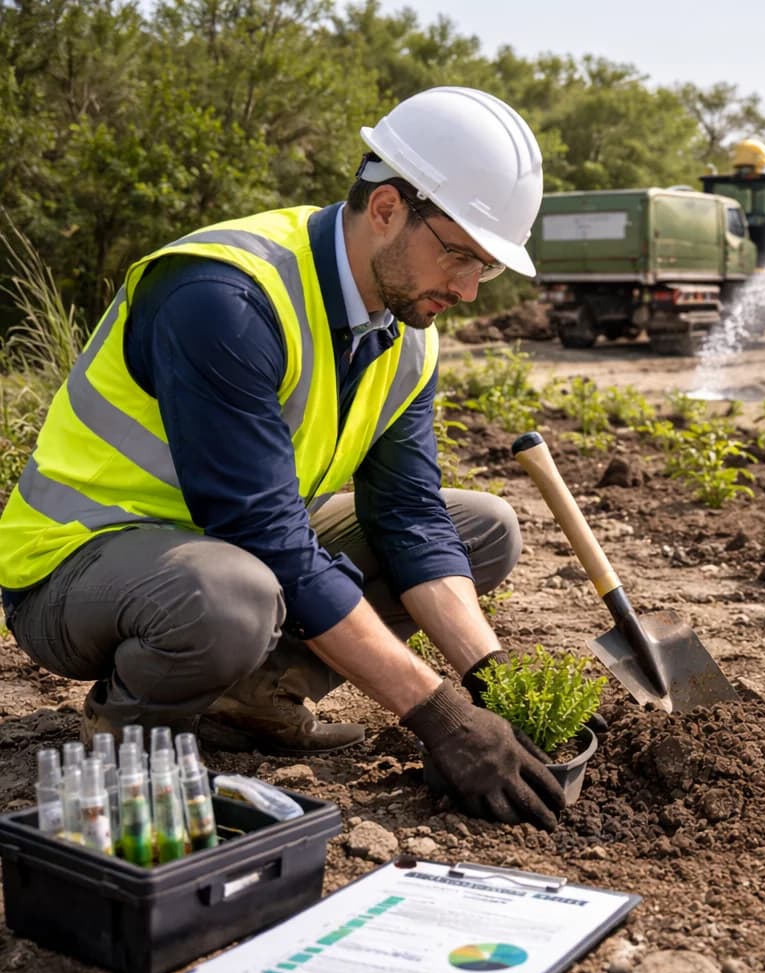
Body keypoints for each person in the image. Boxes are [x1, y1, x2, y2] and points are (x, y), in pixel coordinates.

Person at [0, 86, 565, 828]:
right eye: (459, 255)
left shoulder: (407, 332)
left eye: (485, 269)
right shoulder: (223, 296)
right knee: (232, 595)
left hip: (226, 553)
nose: (465, 289)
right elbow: (264, 537)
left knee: (482, 526)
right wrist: (439, 716)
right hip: (78, 565)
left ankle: (253, 702)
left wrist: (488, 679)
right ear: (389, 208)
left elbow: (410, 517)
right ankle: (128, 749)